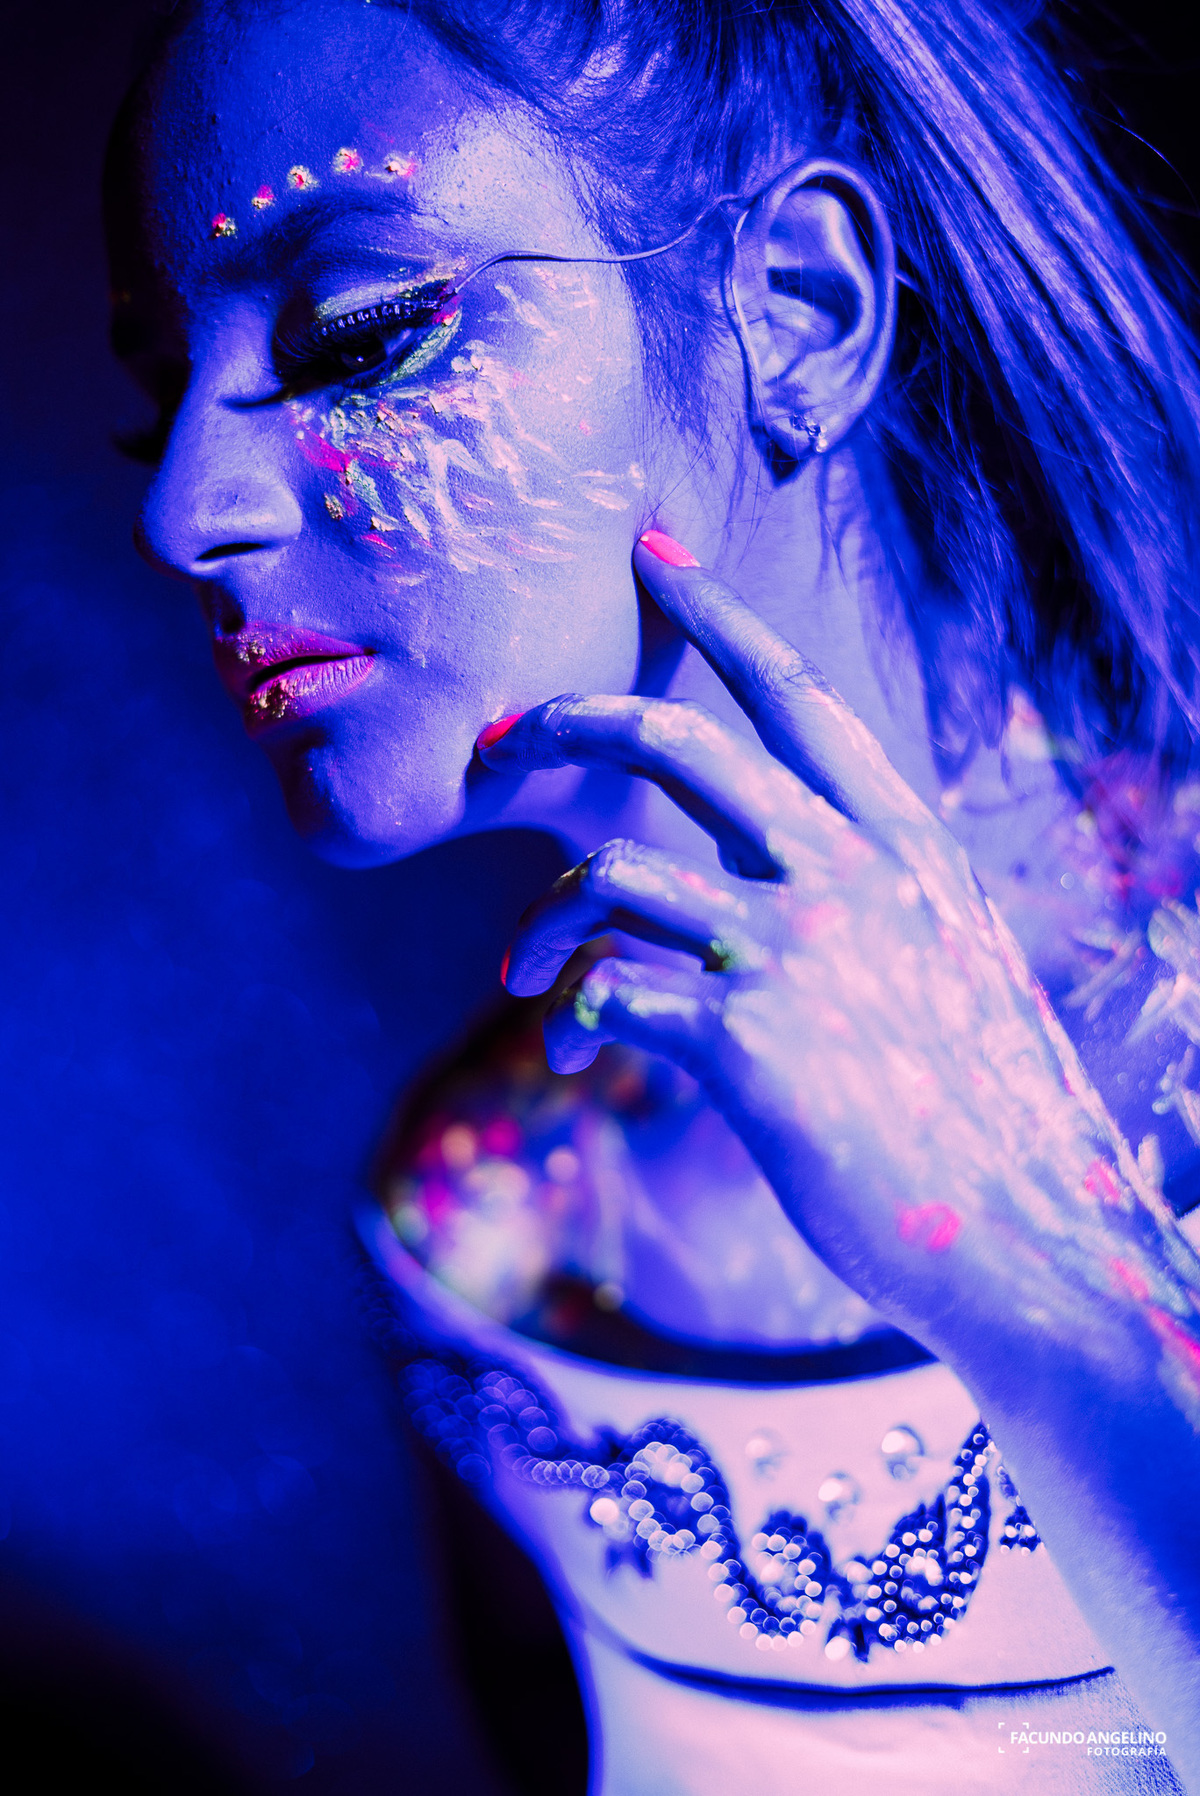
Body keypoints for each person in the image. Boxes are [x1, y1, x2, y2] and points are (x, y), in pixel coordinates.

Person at [107, 0, 1200, 1786]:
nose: (178, 512)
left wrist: (1027, 1282)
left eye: (356, 332)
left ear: (795, 311)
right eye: (158, 403)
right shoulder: (487, 1238)